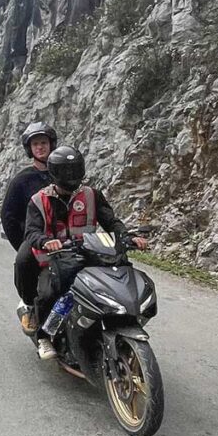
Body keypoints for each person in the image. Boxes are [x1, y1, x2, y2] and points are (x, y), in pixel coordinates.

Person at [23, 145, 148, 359]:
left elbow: (111, 221)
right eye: (65, 172)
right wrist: (46, 241)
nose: (70, 176)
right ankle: (44, 336)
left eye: (74, 170)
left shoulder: (91, 195)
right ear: (54, 173)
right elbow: (31, 232)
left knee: (121, 279)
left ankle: (120, 320)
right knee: (49, 293)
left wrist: (127, 237)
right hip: (57, 258)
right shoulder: (38, 200)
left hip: (91, 255)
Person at [0, 122, 57, 333]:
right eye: (36, 144)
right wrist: (23, 242)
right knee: (23, 261)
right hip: (34, 236)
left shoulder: (63, 172)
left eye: (44, 143)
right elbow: (8, 216)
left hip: (65, 233)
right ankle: (29, 306)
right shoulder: (21, 180)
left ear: (51, 145)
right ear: (29, 148)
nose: (40, 147)